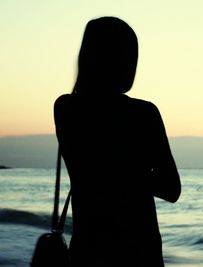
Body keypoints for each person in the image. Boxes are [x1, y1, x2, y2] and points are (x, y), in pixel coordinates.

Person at [54, 17, 181, 266]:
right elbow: (171, 189)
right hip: (138, 249)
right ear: (124, 61)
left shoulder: (65, 108)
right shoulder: (144, 114)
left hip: (88, 248)